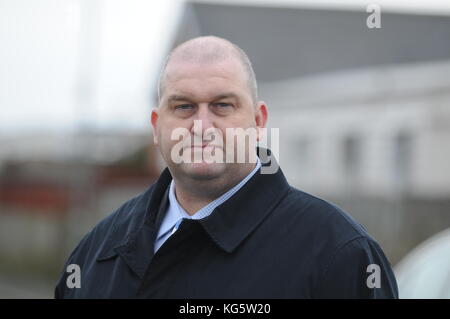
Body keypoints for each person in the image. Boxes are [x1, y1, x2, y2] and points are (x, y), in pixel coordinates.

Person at [55, 35, 398, 298]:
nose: (202, 126)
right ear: (157, 126)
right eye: (184, 107)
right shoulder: (98, 251)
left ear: (258, 120)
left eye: (222, 105)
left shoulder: (340, 255)